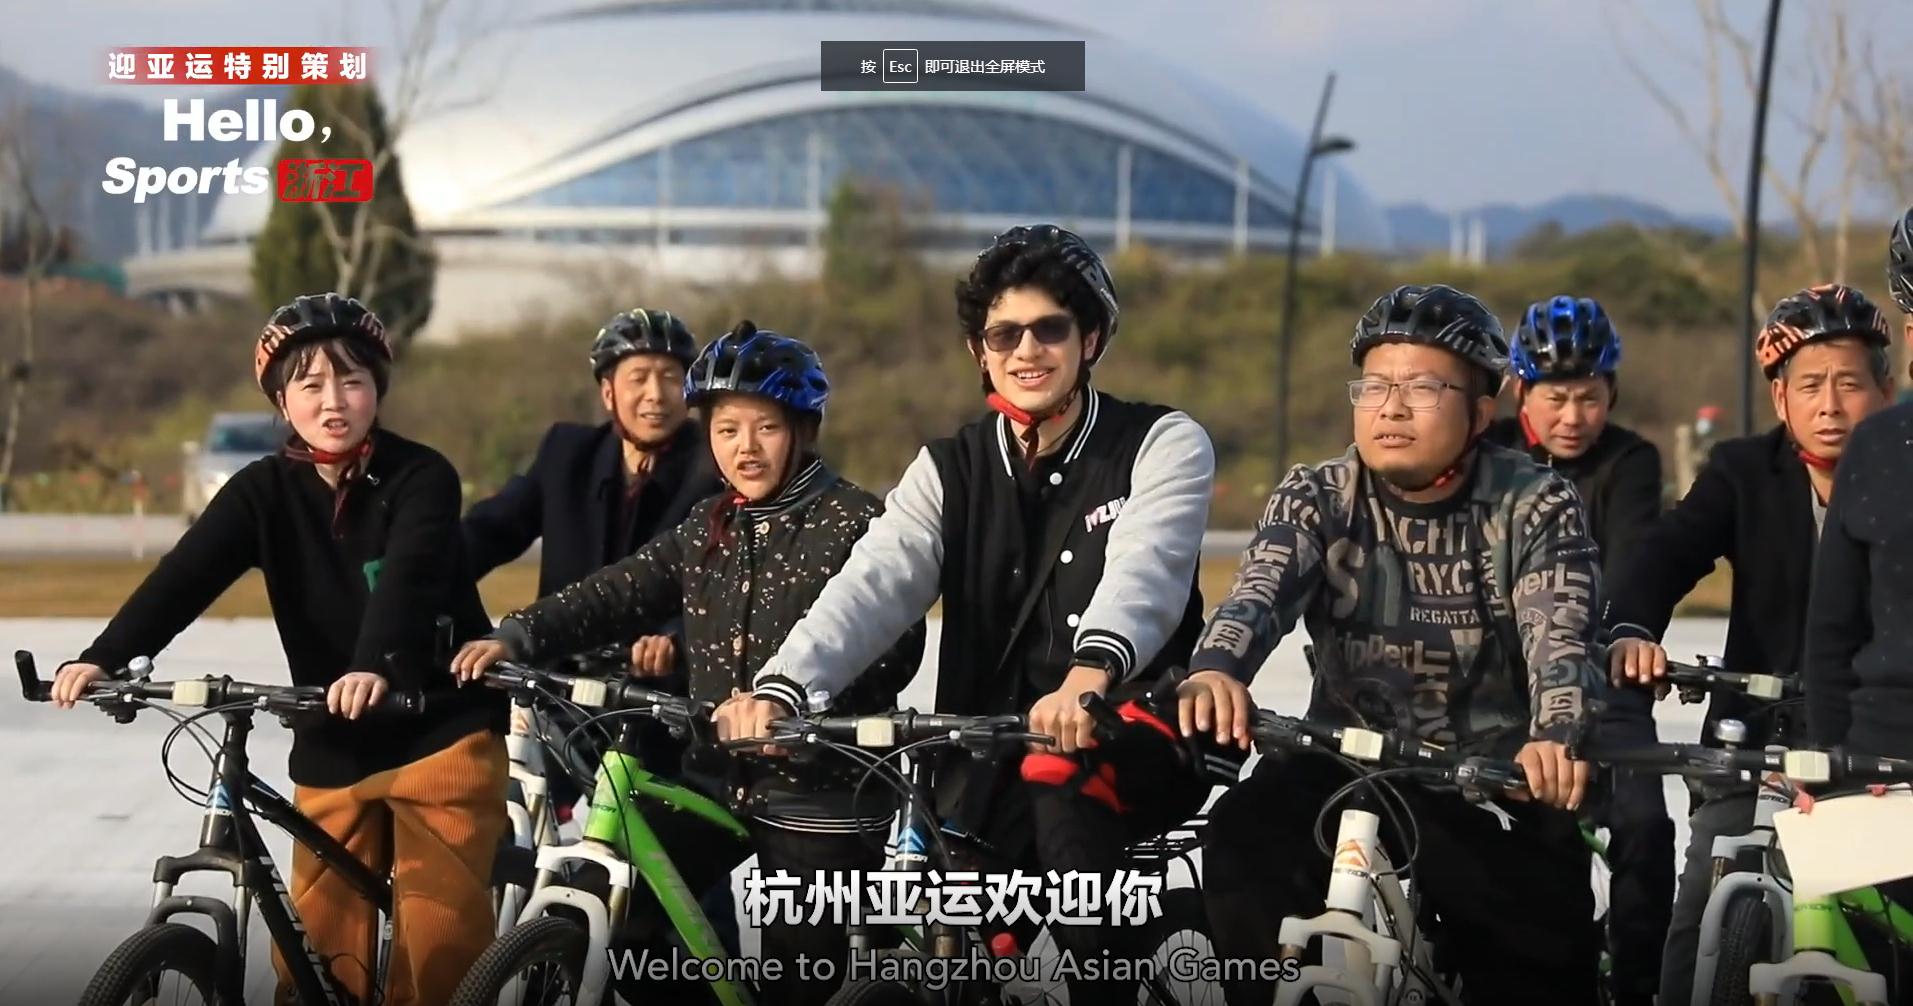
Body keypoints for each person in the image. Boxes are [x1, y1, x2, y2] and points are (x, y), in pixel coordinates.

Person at [721, 224, 1217, 1003]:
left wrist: (1089, 675)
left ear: (1090, 339)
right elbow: (875, 582)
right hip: (984, 758)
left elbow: (1146, 569)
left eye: (1049, 329)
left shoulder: (1161, 443)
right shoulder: (947, 466)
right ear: (978, 352)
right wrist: (782, 686)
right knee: (952, 938)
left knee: (1067, 835)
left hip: (1126, 734)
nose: (1026, 351)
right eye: (1003, 334)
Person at [50, 294, 508, 1006]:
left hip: (437, 735)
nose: (333, 401)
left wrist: (372, 664)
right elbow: (184, 577)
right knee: (318, 955)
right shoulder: (262, 491)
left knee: (438, 949)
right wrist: (105, 656)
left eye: (352, 381)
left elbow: (410, 580)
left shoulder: (423, 477)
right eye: (310, 384)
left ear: (378, 389)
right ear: (280, 399)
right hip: (332, 742)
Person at [451, 322, 924, 1006]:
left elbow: (895, 644)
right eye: (727, 430)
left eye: (765, 428)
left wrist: (797, 707)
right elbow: (619, 589)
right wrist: (519, 635)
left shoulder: (852, 520)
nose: (744, 447)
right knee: (626, 920)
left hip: (820, 788)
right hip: (715, 775)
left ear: (803, 430)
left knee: (802, 985)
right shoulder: (710, 522)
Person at [1188, 283, 1606, 1005]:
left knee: (1542, 942)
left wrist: (1556, 733)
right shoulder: (1318, 494)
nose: (1391, 407)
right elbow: (1257, 593)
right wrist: (1216, 670)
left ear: (1482, 411)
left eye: (1422, 388)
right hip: (1337, 760)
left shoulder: (1533, 501)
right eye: (1375, 385)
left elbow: (1560, 634)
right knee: (1240, 840)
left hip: (1485, 780)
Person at [1604, 282, 1897, 1006]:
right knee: (1702, 907)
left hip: (1879, 744)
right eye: (1810, 386)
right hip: (1755, 737)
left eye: (1849, 384)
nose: (1830, 406)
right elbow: (1666, 553)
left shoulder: (1904, 472)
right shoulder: (1743, 472)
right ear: (1779, 398)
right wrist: (1632, 629)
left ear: (1886, 390)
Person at [1485, 294, 1671, 1006]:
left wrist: (1625, 632)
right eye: (1555, 398)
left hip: (1601, 677)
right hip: (1500, 681)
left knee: (1645, 827)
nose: (1572, 417)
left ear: (1611, 395)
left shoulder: (1631, 460)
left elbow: (1634, 566)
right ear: (1520, 392)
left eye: (1589, 398)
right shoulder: (1488, 451)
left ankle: (1640, 985)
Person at [461, 308, 722, 811]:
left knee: (657, 840)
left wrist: (674, 639)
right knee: (510, 814)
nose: (655, 394)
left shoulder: (713, 468)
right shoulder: (568, 452)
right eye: (638, 378)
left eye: (671, 378)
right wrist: (416, 576)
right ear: (608, 392)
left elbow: (721, 582)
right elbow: (491, 530)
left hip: (658, 703)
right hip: (557, 685)